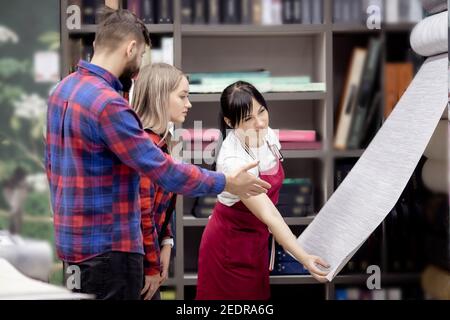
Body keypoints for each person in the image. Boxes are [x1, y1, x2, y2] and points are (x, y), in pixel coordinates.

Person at [45, 8, 270, 300]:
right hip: (109, 251)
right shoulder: (108, 104)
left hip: (73, 247)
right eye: (140, 58)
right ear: (131, 48)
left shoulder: (61, 91)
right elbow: (163, 171)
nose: (138, 70)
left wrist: (165, 241)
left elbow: (51, 166)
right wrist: (226, 182)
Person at [196, 81, 330, 300]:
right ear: (230, 122)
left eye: (261, 111)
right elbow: (269, 214)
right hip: (229, 247)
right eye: (248, 118)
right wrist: (304, 257)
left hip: (257, 244)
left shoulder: (268, 135)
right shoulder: (233, 160)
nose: (259, 123)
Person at [131, 63, 192, 300]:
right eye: (183, 97)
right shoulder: (145, 147)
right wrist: (152, 267)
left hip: (150, 255)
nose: (188, 104)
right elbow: (143, 215)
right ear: (159, 97)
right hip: (138, 265)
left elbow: (161, 206)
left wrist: (166, 241)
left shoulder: (163, 143)